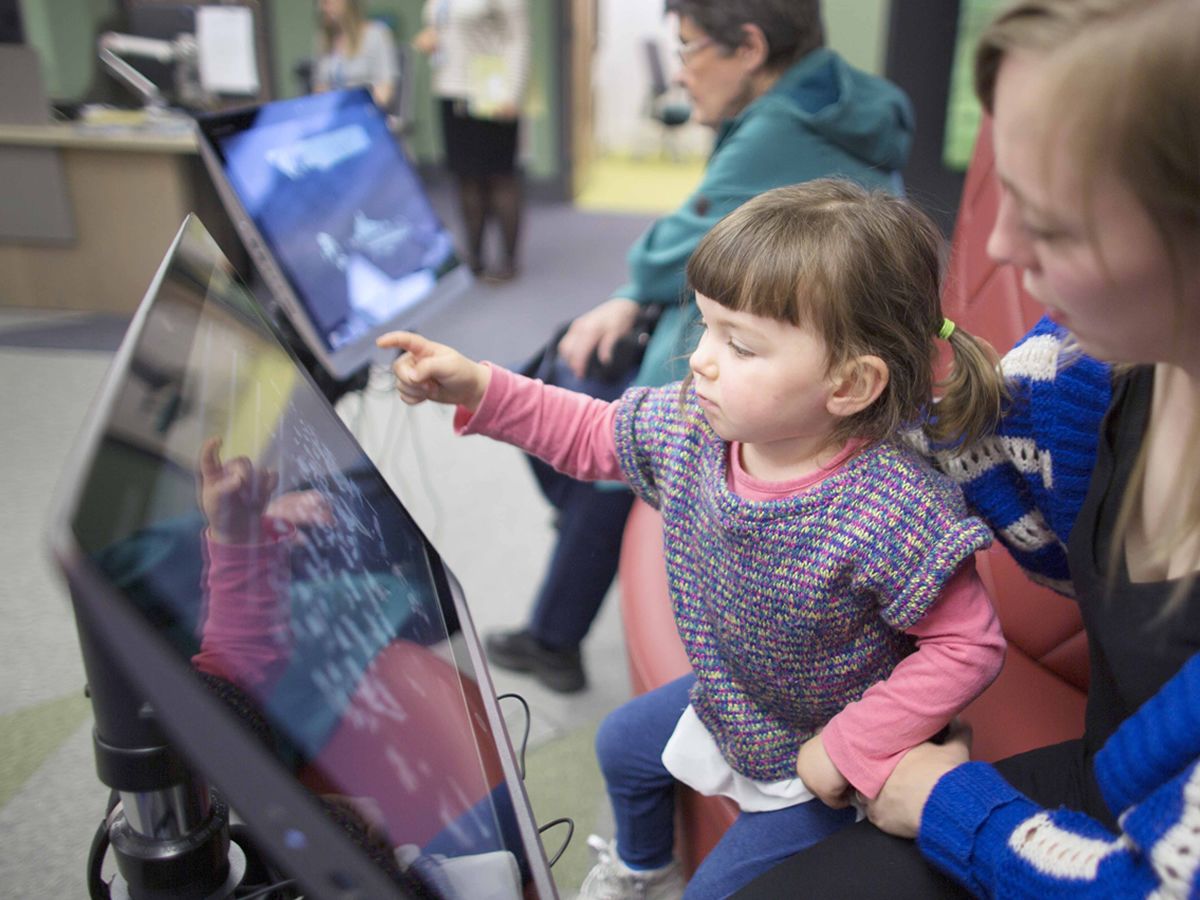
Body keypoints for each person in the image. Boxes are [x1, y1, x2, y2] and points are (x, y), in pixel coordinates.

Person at [378, 178, 1011, 897]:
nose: (702, 358)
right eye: (708, 326)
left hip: (821, 752)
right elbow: (593, 431)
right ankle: (644, 869)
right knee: (621, 744)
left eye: (740, 345)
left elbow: (970, 644)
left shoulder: (892, 507)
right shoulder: (693, 425)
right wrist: (479, 388)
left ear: (848, 384)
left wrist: (849, 747)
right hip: (740, 695)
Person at [735, 0, 1200, 896]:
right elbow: (962, 411)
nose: (995, 246)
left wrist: (957, 806)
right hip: (1117, 786)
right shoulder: (1095, 367)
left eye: (1053, 226)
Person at [484, 0, 915, 694]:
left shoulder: (779, 126)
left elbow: (677, 249)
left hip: (802, 352)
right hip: (824, 325)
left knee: (604, 402)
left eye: (687, 50)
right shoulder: (840, 100)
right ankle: (560, 606)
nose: (680, 75)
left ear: (747, 47)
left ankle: (553, 631)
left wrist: (635, 288)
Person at [412, 0, 530, 283]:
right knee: (465, 176)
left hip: (492, 90)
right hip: (450, 91)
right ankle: (474, 259)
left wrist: (512, 92)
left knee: (499, 176)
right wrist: (431, 39)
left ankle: (508, 262)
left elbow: (518, 37)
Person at [313, 0, 399, 111]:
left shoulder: (377, 34)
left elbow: (385, 89)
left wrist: (358, 112)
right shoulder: (324, 40)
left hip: (367, 113)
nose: (322, 7)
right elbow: (320, 89)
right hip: (334, 116)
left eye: (327, 2)